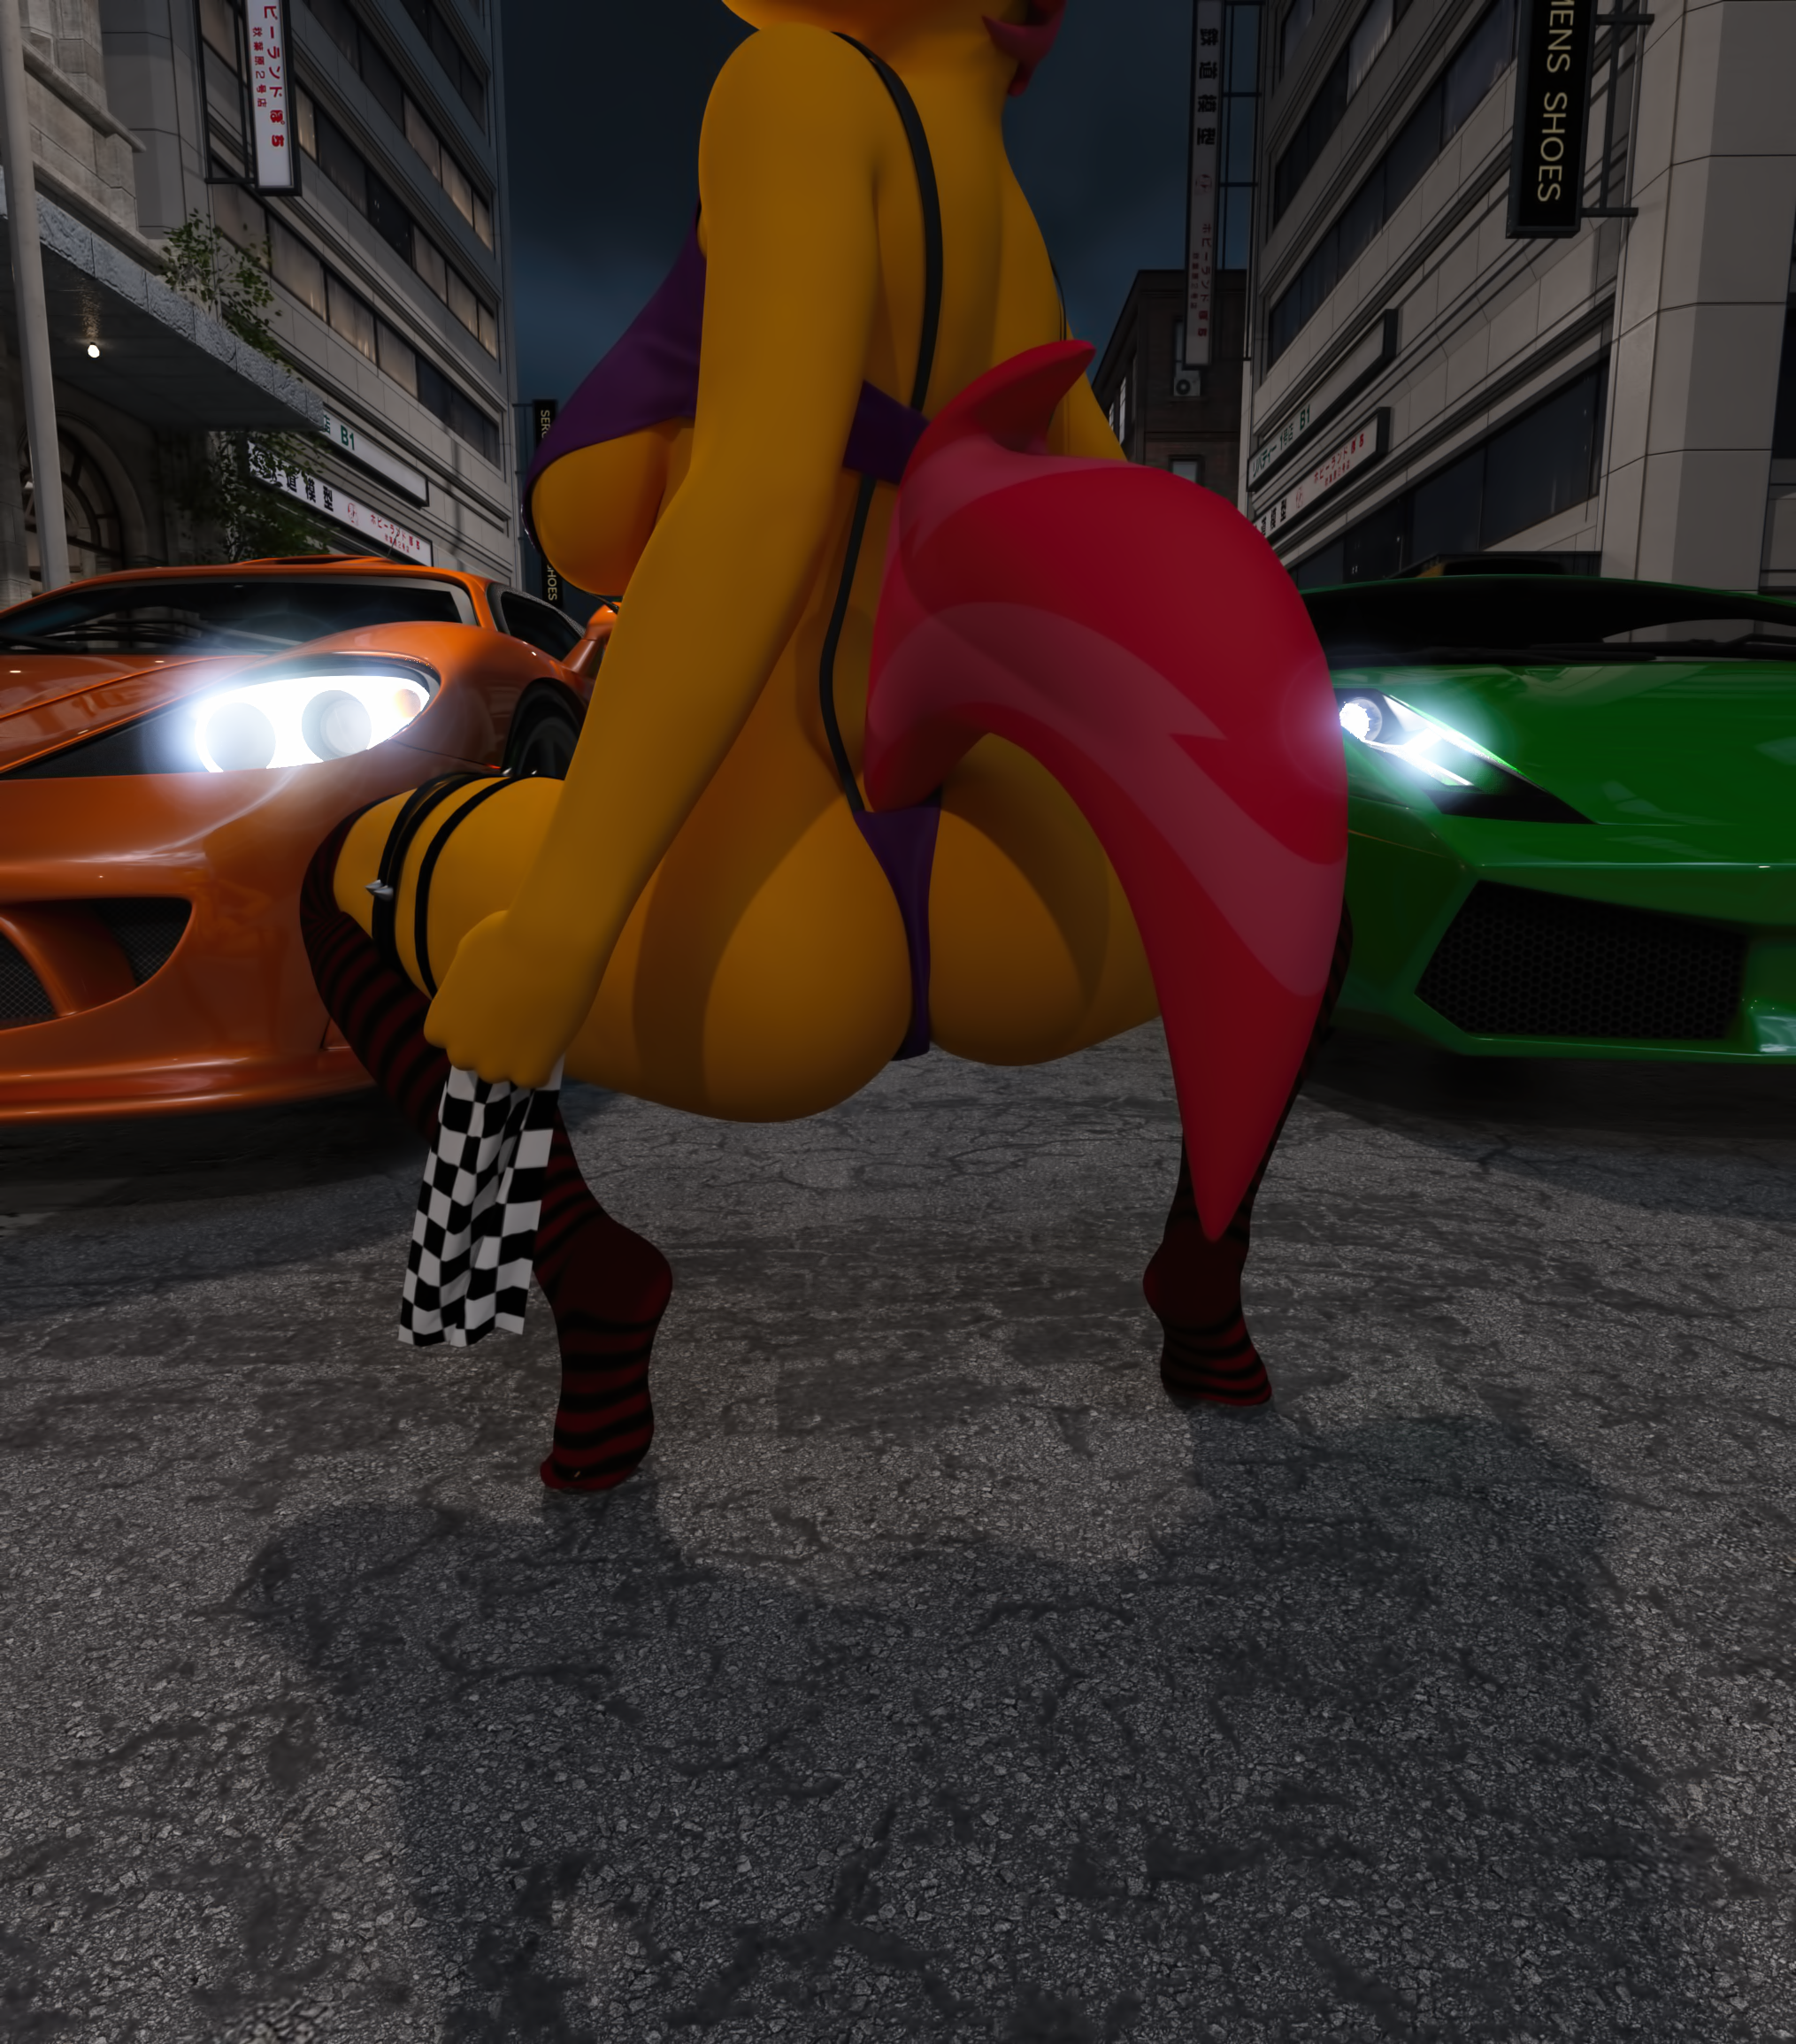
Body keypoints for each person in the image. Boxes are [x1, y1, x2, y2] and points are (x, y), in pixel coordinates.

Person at [300, 0, 1347, 1494]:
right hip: (1020, 918)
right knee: (1312, 904)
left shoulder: (795, 89)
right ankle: (1204, 1280)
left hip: (783, 935)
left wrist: (561, 930)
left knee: (344, 877)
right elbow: (1127, 574)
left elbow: (754, 504)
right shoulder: (1012, 229)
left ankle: (590, 1274)